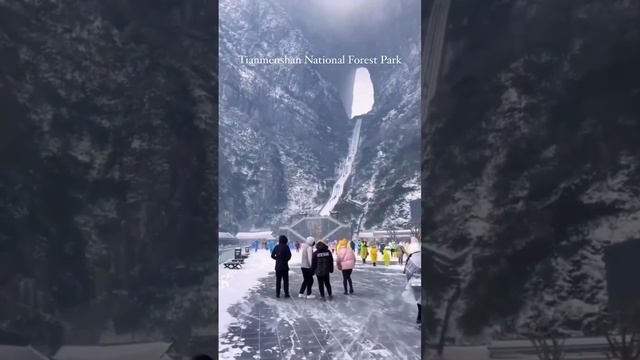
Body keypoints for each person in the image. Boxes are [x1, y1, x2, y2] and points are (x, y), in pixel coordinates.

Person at [404, 236, 422, 323]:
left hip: (416, 282)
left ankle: (419, 317)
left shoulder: (412, 258)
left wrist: (409, 281)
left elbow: (408, 272)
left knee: (419, 300)